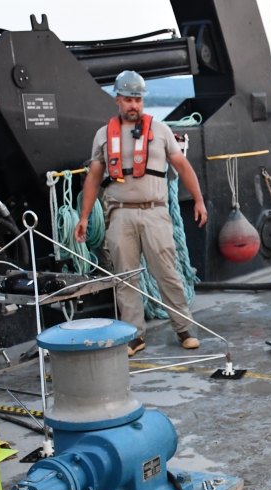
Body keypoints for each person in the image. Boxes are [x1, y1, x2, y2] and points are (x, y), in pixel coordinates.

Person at [74, 71, 208, 357]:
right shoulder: (103, 135)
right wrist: (84, 217)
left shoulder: (159, 131)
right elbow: (94, 178)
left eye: (138, 99)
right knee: (125, 277)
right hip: (120, 215)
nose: (133, 105)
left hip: (154, 213)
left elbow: (182, 166)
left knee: (167, 273)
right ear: (118, 100)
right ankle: (134, 335)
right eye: (128, 99)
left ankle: (184, 328)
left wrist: (198, 200)